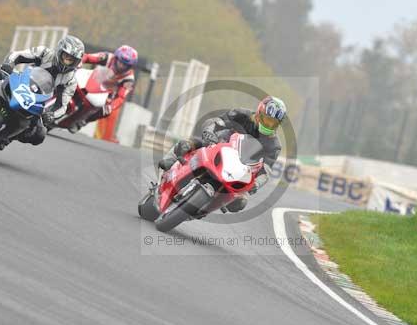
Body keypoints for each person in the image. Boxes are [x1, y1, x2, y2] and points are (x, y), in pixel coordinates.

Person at [158, 96, 287, 213]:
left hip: (240, 170)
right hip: (217, 146)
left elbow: (266, 170)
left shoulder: (274, 145)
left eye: (273, 123)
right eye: (267, 119)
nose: (268, 124)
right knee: (186, 144)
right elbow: (217, 121)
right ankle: (170, 162)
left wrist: (256, 184)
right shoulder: (241, 114)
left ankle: (207, 208)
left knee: (241, 202)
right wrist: (210, 131)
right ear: (260, 113)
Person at [0, 35, 85, 149]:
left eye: (71, 60)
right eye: (65, 56)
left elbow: (62, 105)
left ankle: (7, 137)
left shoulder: (70, 80)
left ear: (77, 62)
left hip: (37, 101)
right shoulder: (44, 53)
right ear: (59, 51)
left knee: (39, 135)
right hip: (20, 82)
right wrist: (8, 65)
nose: (67, 62)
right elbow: (18, 55)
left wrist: (52, 115)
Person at [68, 45, 138, 133]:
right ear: (116, 58)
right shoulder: (107, 57)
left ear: (130, 66)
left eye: (125, 65)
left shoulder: (129, 79)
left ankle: (82, 121)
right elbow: (87, 57)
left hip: (106, 92)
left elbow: (121, 97)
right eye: (120, 61)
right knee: (69, 75)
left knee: (106, 110)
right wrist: (78, 65)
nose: (121, 66)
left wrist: (111, 106)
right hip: (91, 80)